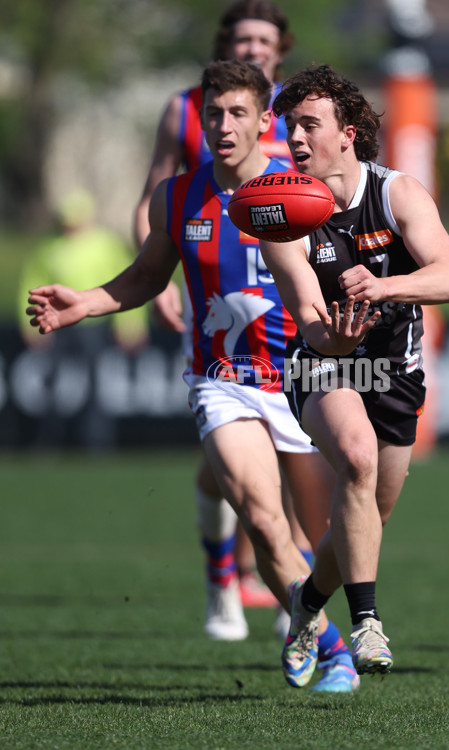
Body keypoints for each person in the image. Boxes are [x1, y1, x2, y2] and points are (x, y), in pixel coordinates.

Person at [27, 59, 359, 693]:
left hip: (303, 377)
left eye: (238, 113)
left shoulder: (306, 191)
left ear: (266, 121)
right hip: (223, 378)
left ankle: (304, 616)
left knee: (334, 531)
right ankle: (331, 647)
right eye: (213, 112)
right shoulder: (177, 196)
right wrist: (87, 302)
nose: (223, 125)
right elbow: (147, 276)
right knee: (260, 517)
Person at [258, 64, 449, 679]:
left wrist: (384, 287)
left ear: (347, 133)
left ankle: (306, 602)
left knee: (367, 514)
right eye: (289, 126)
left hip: (396, 373)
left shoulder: (397, 193)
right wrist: (337, 339)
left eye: (308, 125)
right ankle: (367, 624)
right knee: (354, 456)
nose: (294, 138)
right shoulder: (279, 215)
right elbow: (309, 320)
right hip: (325, 364)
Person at [133, 0, 311, 635]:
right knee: (239, 481)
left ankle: (299, 598)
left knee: (306, 485)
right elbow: (157, 192)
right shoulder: (185, 111)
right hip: (221, 332)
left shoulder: (300, 120)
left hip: (301, 348)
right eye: (241, 39)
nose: (252, 48)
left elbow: (341, 197)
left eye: (263, 40)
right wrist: (154, 276)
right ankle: (230, 581)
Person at [17, 188, 148, 450]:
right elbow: (31, 284)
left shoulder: (106, 244)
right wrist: (29, 324)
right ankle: (49, 442)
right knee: (51, 383)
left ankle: (96, 443)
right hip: (57, 322)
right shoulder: (48, 246)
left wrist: (131, 324)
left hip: (95, 323)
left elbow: (129, 284)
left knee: (97, 383)